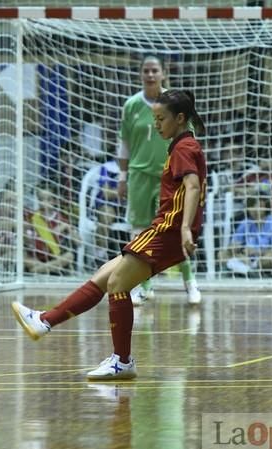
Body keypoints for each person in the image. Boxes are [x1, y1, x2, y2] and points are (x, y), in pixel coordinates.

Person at [12, 90, 206, 380]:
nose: (156, 125)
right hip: (164, 229)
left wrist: (185, 228)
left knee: (117, 283)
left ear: (180, 118)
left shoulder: (183, 148)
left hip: (167, 230)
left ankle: (122, 361)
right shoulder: (182, 145)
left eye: (161, 119)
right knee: (105, 275)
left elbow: (191, 186)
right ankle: (44, 321)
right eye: (154, 119)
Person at [116, 56, 201, 305]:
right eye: (146, 71)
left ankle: (190, 283)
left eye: (155, 70)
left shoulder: (174, 103)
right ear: (141, 74)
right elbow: (124, 144)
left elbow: (189, 140)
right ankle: (144, 287)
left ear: (163, 73)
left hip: (169, 176)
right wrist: (122, 177)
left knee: (174, 232)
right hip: (139, 176)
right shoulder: (131, 105)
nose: (150, 75)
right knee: (141, 232)